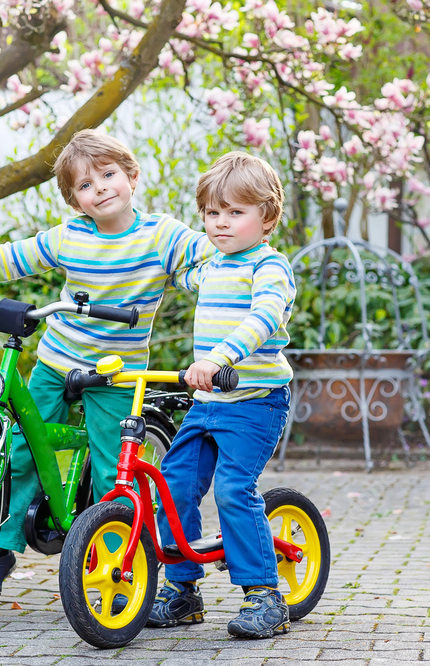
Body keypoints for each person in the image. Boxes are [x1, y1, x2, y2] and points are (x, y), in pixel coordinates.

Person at [0, 130, 214, 605]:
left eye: (109, 175)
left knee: (108, 469)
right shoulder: (70, 236)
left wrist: (220, 277)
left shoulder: (160, 235)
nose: (99, 188)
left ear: (132, 176)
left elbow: (204, 262)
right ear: (74, 201)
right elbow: (15, 257)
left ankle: (117, 566)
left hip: (115, 372)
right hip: (57, 361)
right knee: (19, 451)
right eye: (84, 185)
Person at [147, 151, 296, 639]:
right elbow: (165, 272)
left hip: (255, 401)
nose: (221, 223)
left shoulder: (270, 268)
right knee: (173, 487)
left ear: (267, 217)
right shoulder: (211, 267)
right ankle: (183, 590)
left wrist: (219, 358)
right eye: (213, 213)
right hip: (209, 403)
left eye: (236, 212)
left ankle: (265, 596)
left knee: (234, 489)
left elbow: (265, 318)